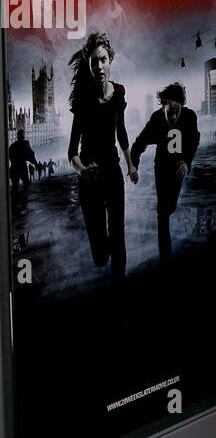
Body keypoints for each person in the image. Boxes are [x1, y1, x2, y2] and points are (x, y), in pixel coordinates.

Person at [67, 31, 137, 285]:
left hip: (112, 173)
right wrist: (83, 171)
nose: (99, 66)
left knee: (118, 237)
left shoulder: (118, 93)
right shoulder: (83, 101)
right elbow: (71, 152)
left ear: (110, 61)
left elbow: (121, 133)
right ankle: (101, 249)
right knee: (100, 255)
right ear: (88, 64)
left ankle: (121, 297)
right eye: (94, 61)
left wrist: (130, 164)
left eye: (103, 59)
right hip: (89, 179)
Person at [130, 82, 200, 269]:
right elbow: (139, 143)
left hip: (179, 166)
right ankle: (165, 261)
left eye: (177, 111)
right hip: (162, 167)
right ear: (163, 106)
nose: (174, 116)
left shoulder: (190, 117)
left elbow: (194, 140)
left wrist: (187, 162)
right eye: (170, 111)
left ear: (182, 106)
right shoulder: (156, 120)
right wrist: (134, 166)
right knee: (163, 213)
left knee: (170, 207)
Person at [8, 129, 38, 202]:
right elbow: (31, 155)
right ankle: (22, 201)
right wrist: (36, 164)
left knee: (16, 186)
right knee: (25, 185)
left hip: (15, 168)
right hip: (21, 167)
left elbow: (9, 157)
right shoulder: (25, 144)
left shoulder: (12, 146)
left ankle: (15, 202)